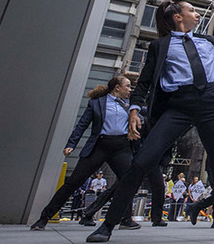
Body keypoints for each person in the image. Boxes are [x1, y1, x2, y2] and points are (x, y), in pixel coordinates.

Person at [86, 1, 214, 242]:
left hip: (209, 106)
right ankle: (107, 225)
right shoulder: (161, 46)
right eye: (192, 11)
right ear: (178, 17)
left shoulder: (208, 42)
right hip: (178, 106)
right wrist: (134, 110)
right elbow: (144, 82)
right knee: (141, 161)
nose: (197, 14)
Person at [31, 76, 139, 232]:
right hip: (99, 146)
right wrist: (71, 144)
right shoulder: (96, 104)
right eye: (128, 86)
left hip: (121, 147)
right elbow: (82, 124)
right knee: (73, 182)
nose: (130, 90)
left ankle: (126, 219)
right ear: (117, 87)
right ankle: (44, 218)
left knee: (128, 181)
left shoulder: (129, 106)